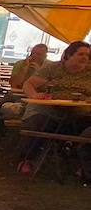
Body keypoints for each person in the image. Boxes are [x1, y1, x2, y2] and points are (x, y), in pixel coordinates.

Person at [18, 41, 91, 173]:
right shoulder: (53, 68)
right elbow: (28, 84)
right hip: (51, 111)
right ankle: (27, 159)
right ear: (69, 55)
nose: (85, 57)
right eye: (80, 54)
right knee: (37, 121)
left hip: (81, 114)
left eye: (87, 55)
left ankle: (82, 166)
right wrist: (34, 95)